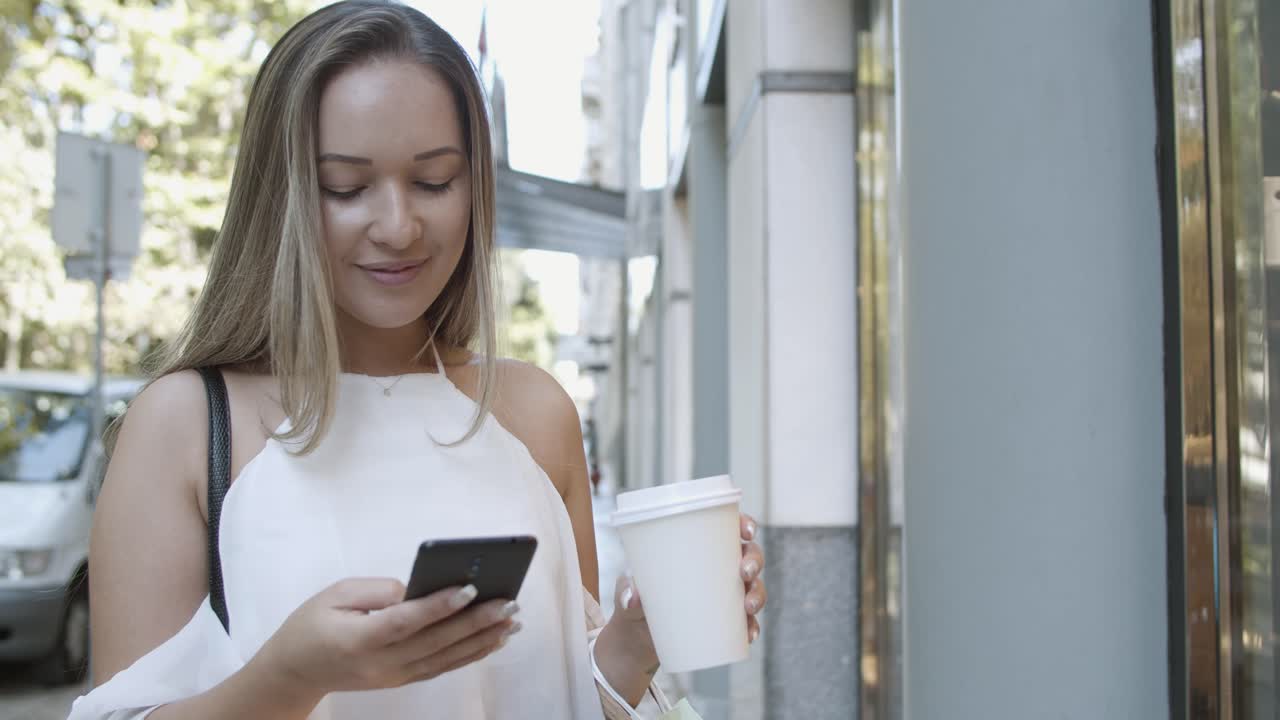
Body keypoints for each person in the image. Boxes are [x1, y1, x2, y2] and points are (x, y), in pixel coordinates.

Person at [69, 2, 767, 718]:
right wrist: (288, 676)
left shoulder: (533, 413)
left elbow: (565, 700)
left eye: (434, 181)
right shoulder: (184, 426)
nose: (399, 226)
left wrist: (635, 640)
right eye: (346, 187)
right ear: (279, 195)